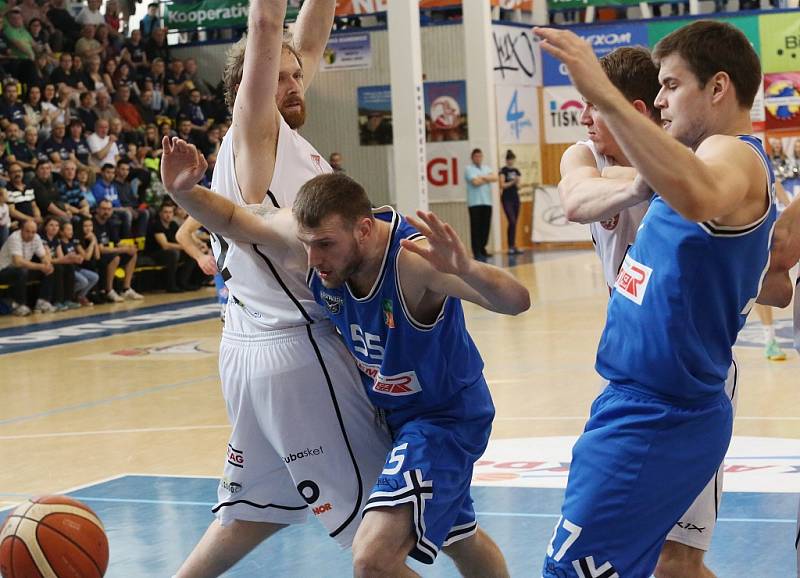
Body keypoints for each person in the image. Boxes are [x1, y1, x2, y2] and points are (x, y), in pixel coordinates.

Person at [161, 138, 528, 577]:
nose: (312, 260)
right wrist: (184, 190)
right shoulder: (313, 243)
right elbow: (234, 219)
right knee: (459, 535)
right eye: (307, 244)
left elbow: (515, 301)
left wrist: (467, 269)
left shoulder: (414, 264)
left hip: (442, 419)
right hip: (386, 414)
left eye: (325, 245)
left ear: (365, 230)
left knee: (372, 559)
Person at [535, 21, 774, 577]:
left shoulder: (729, 153)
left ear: (718, 88)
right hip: (636, 397)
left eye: (671, 85)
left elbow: (701, 195)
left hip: (663, 410)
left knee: (591, 570)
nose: (661, 100)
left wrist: (603, 93)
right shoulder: (683, 158)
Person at [166, 3, 393, 578]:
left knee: (251, 512)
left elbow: (309, 38)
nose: (297, 81)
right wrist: (270, 31)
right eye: (282, 75)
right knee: (382, 530)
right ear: (249, 88)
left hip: (248, 347)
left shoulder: (283, 132)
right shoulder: (255, 134)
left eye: (298, 74)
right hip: (298, 353)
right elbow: (267, 26)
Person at [0, 219, 55, 315]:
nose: (30, 235)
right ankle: (19, 305)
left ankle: (42, 302)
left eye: (33, 232)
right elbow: (17, 262)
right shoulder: (14, 238)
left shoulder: (36, 238)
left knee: (50, 269)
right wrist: (41, 266)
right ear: (21, 230)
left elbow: (43, 256)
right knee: (21, 271)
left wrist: (47, 263)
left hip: (21, 270)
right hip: (4, 271)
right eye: (27, 231)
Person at [93, 198, 142, 302]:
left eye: (109, 209)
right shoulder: (93, 224)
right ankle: (109, 290)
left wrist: (128, 247)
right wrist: (122, 249)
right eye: (104, 209)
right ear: (97, 209)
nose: (106, 212)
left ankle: (126, 289)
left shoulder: (110, 223)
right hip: (95, 255)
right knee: (115, 258)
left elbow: (117, 242)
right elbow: (100, 249)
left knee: (132, 253)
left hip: (109, 252)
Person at [144, 201, 201, 292]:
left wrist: (192, 246)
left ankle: (183, 282)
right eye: (165, 212)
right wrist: (184, 247)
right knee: (173, 254)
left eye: (170, 212)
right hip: (154, 253)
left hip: (170, 253)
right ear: (160, 213)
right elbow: (165, 245)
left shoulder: (173, 225)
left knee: (191, 253)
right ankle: (171, 285)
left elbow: (180, 240)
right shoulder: (156, 225)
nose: (168, 215)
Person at [465, 148, 497, 260]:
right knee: (476, 228)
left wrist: (482, 177)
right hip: (475, 203)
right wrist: (487, 178)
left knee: (485, 227)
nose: (478, 158)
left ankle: (483, 249)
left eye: (480, 156)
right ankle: (477, 251)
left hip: (487, 202)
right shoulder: (469, 169)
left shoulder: (486, 168)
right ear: (472, 158)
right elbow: (475, 182)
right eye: (476, 156)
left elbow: (495, 178)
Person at [59, 219, 98, 306]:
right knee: (83, 281)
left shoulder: (72, 242)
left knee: (94, 277)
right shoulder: (60, 243)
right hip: (68, 269)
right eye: (68, 230)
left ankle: (80, 296)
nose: (71, 232)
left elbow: (86, 256)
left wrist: (79, 257)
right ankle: (66, 296)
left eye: (71, 230)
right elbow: (63, 258)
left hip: (76, 268)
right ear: (61, 232)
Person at [498, 150, 522, 255]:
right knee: (511, 221)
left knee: (514, 223)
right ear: (507, 160)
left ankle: (513, 245)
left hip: (515, 198)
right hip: (506, 198)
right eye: (509, 159)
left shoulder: (516, 171)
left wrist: (517, 183)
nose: (511, 161)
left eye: (512, 159)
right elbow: (502, 185)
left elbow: (519, 186)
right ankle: (510, 246)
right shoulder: (503, 171)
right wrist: (513, 182)